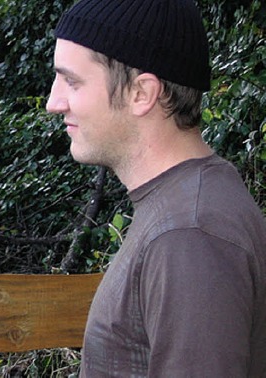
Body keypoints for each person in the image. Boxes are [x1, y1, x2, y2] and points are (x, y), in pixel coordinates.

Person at [46, 0, 266, 376]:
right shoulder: (180, 209)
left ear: (141, 94)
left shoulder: (189, 234)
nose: (54, 102)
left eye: (73, 81)